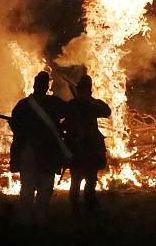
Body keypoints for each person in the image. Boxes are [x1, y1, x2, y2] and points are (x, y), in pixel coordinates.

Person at [8, 71, 69, 225]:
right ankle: (41, 218)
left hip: (28, 151)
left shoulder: (23, 104)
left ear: (35, 86)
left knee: (27, 186)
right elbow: (70, 113)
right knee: (45, 186)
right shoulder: (54, 103)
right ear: (46, 86)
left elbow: (15, 126)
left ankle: (26, 220)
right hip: (47, 153)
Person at [66, 74, 111, 216]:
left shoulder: (90, 105)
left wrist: (88, 102)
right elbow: (66, 123)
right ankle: (77, 210)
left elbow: (107, 111)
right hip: (79, 149)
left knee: (89, 181)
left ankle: (88, 208)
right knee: (77, 181)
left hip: (89, 150)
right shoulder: (73, 105)